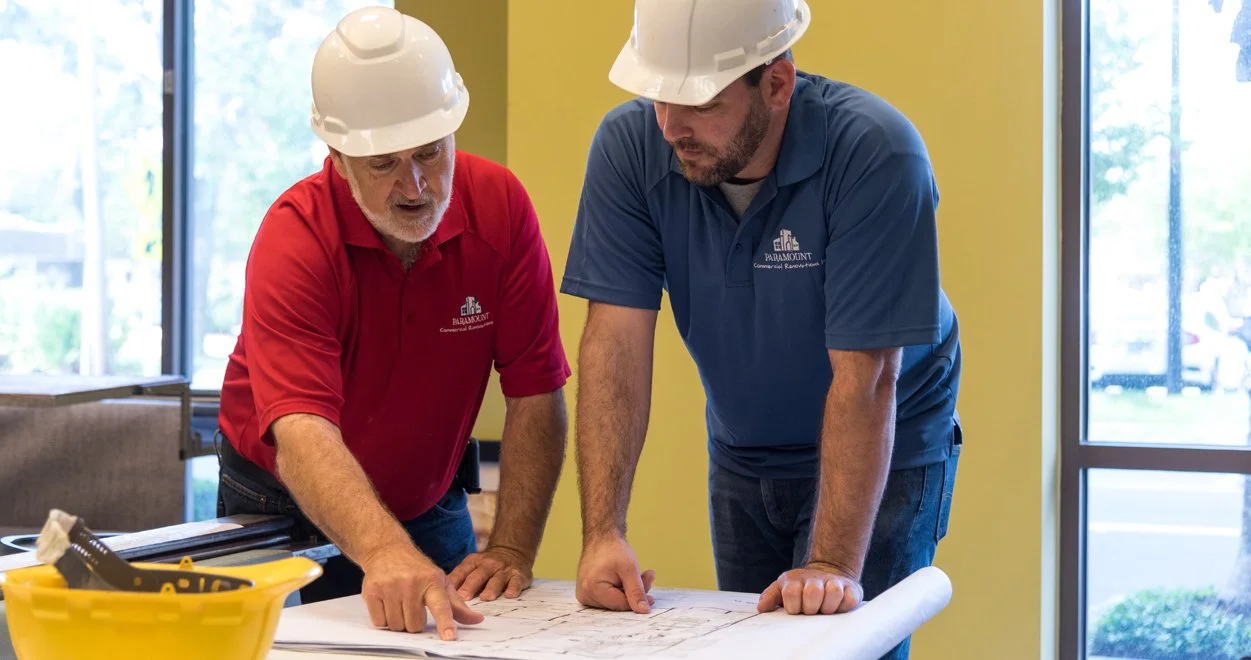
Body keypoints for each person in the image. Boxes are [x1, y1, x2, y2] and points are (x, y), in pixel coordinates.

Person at [562, 1, 961, 657]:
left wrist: (831, 566)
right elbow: (614, 343)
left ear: (776, 84)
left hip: (889, 429)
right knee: (752, 648)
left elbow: (867, 377)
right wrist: (603, 532)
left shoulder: (877, 152)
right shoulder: (628, 146)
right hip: (746, 441)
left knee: (841, 642)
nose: (670, 127)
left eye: (698, 102)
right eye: (657, 97)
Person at [215, 6, 570, 642]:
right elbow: (301, 430)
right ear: (338, 156)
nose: (415, 187)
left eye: (431, 154)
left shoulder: (502, 210)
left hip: (428, 499)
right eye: (382, 164)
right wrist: (382, 552)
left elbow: (537, 391)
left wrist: (513, 550)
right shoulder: (295, 239)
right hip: (281, 502)